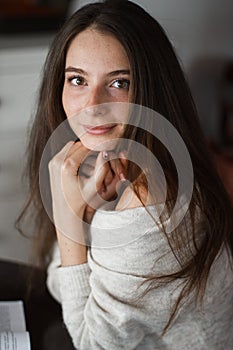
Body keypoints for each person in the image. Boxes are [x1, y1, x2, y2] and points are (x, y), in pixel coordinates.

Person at [17, 0, 233, 349]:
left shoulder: (149, 206)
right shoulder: (117, 165)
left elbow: (93, 344)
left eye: (118, 83)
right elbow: (62, 285)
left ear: (151, 92)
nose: (92, 104)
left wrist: (70, 221)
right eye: (77, 80)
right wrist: (86, 213)